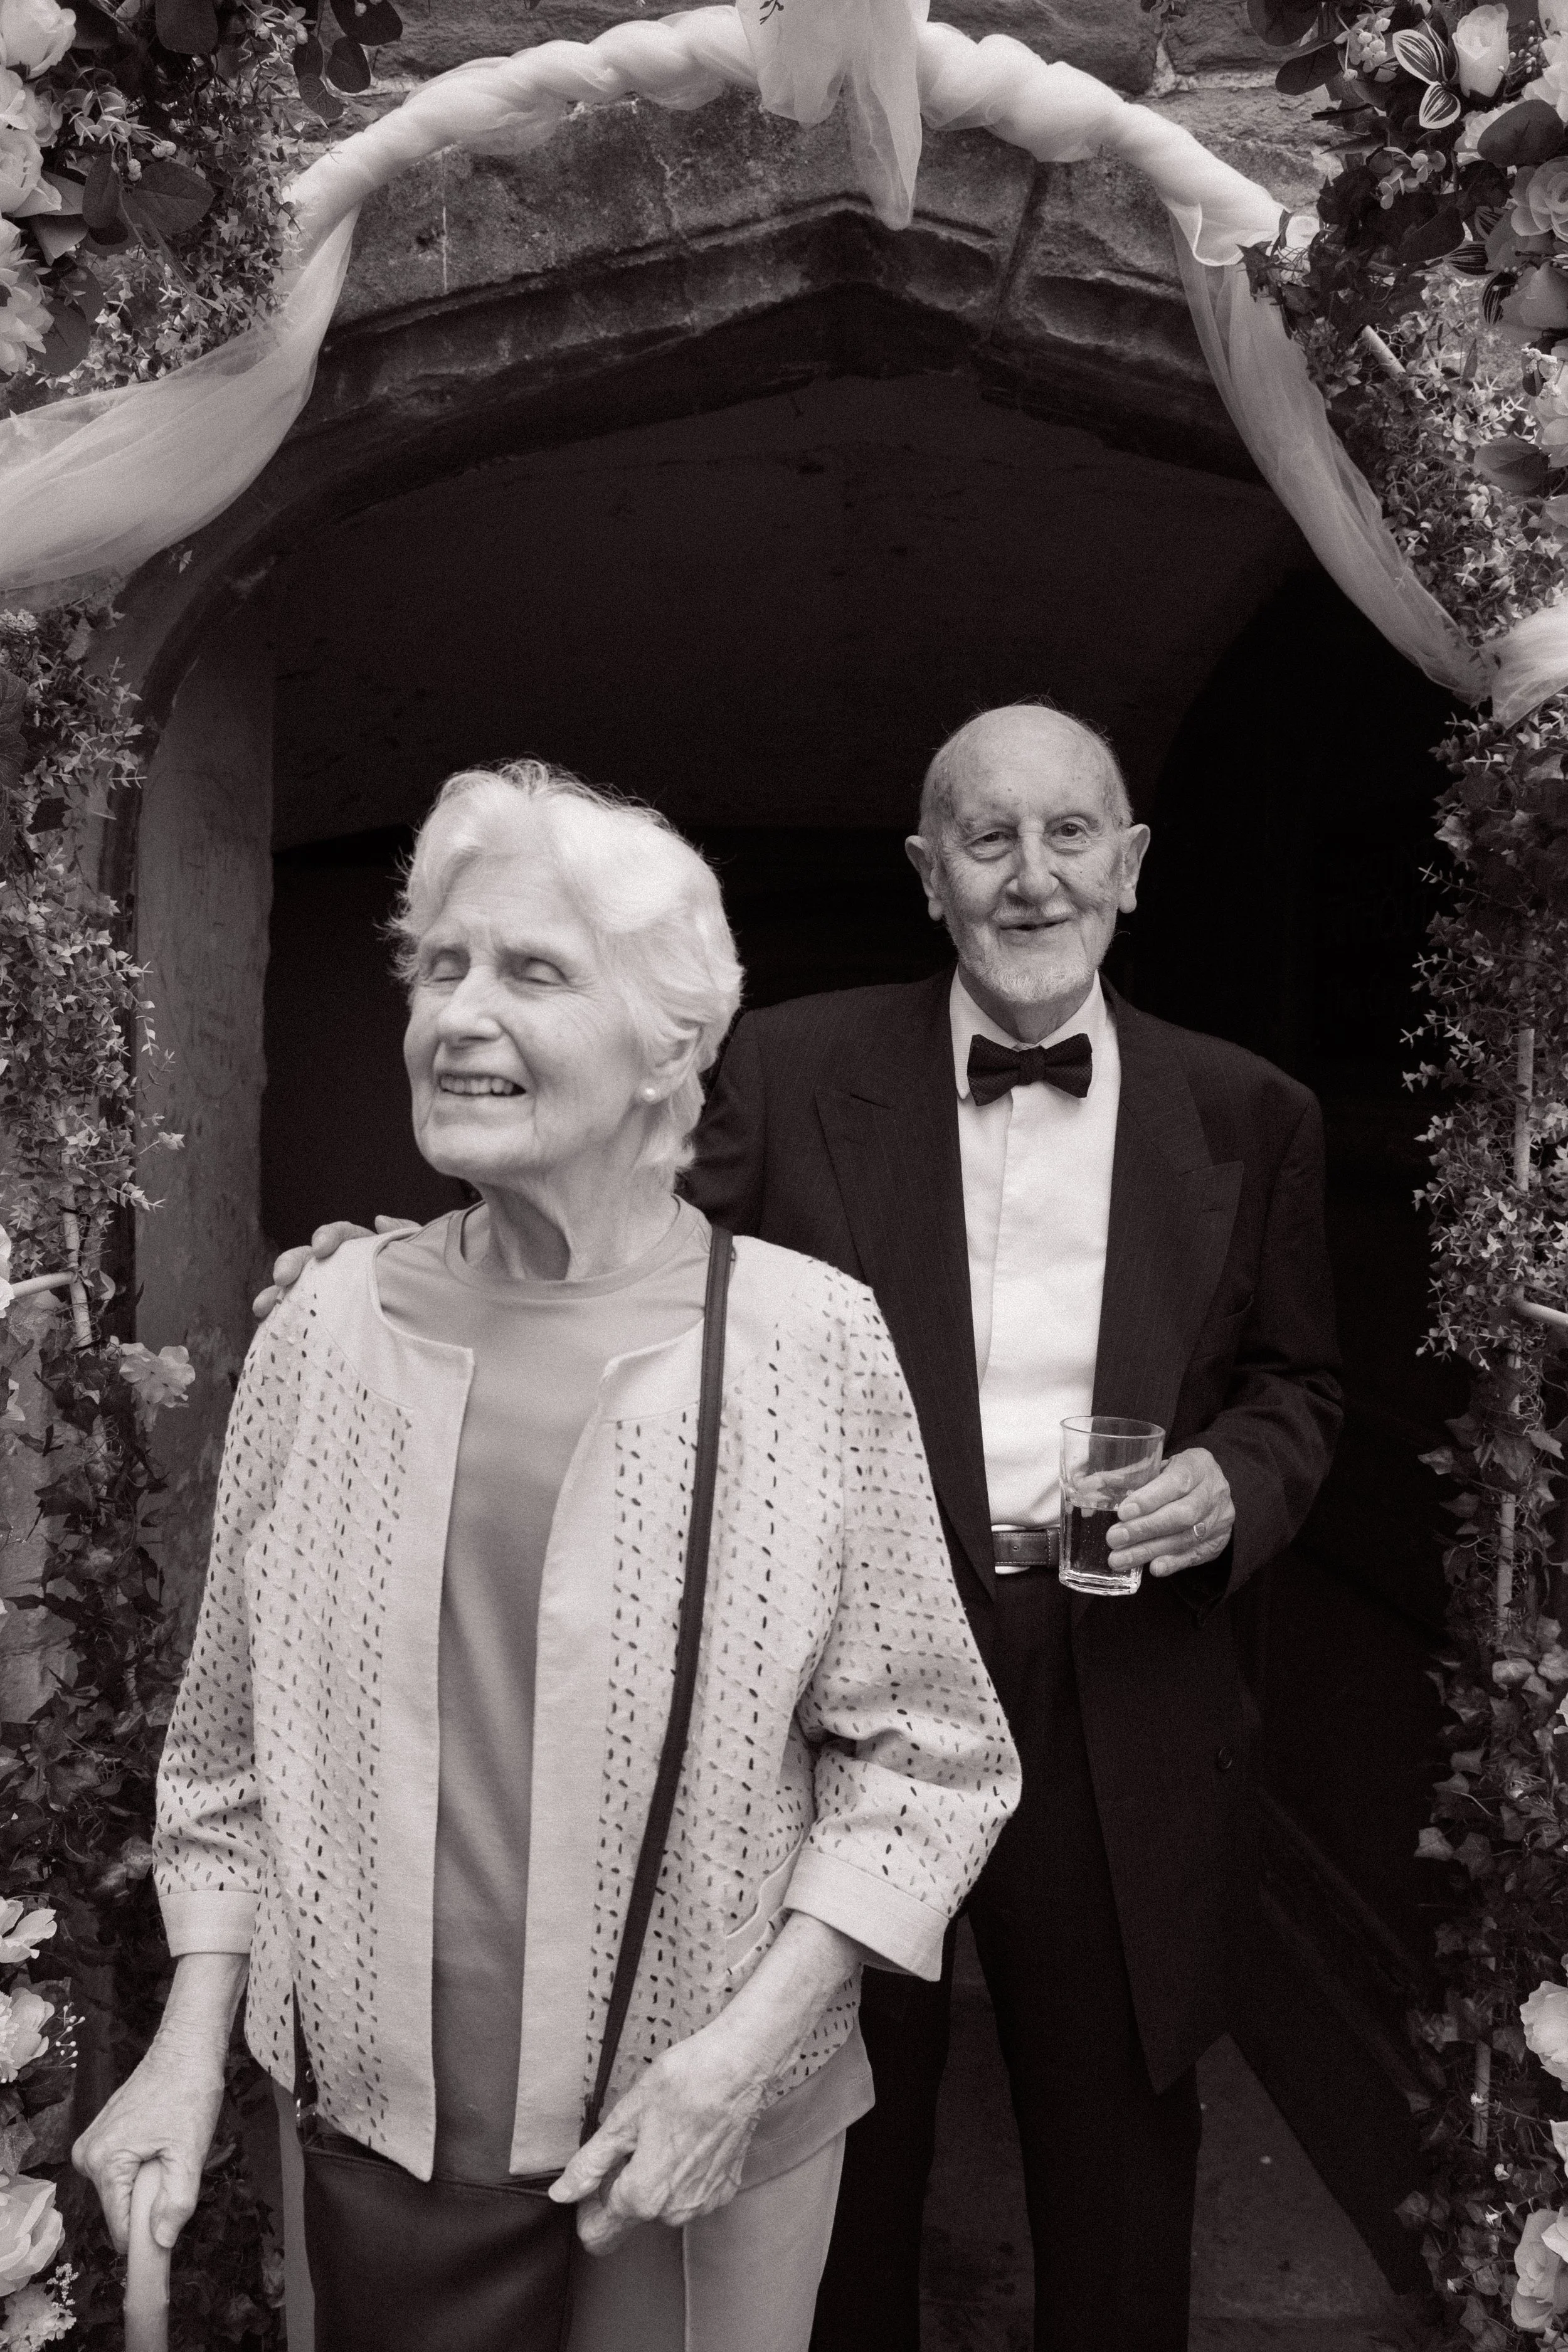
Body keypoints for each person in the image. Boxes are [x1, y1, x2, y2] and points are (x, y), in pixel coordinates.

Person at [257, 702, 1342, 2351]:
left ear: (1130, 865)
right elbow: (599, 1224)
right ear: (926, 873)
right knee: (833, 2136)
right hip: (827, 1696)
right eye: (986, 836)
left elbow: (1300, 1385)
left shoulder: (1251, 1109)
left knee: (1117, 2158)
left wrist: (1234, 1481)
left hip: (1118, 1668)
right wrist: (400, 1266)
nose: (1030, 875)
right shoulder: (788, 1059)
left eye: (1070, 835)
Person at [74, 761, 1020, 2352]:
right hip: (371, 2164)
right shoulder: (318, 1332)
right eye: (438, 967)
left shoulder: (808, 1344)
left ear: (673, 1048)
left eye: (529, 971)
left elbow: (930, 1763)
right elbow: (227, 1761)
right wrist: (186, 2046)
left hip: (696, 2150)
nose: (457, 1012)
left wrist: (743, 2059)